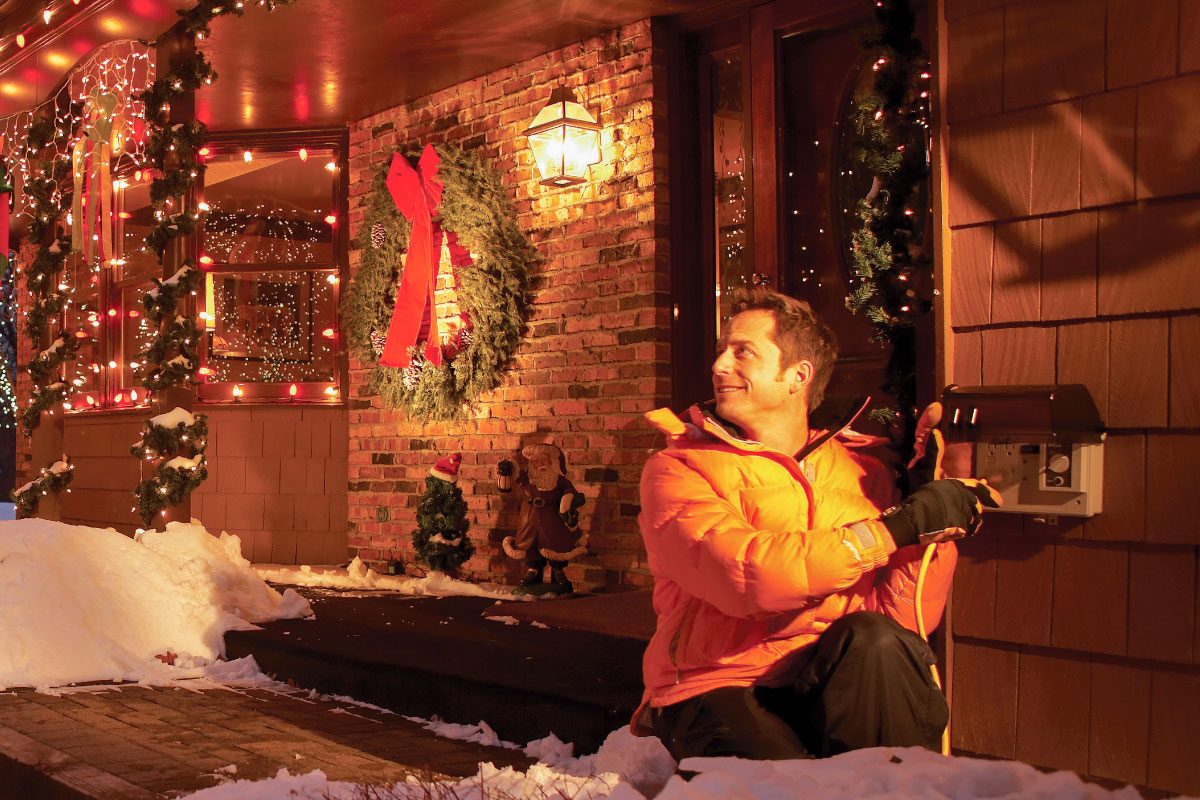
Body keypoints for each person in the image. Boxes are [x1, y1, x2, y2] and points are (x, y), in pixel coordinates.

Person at [631, 286, 998, 761]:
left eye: (742, 352)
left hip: (825, 676)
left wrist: (930, 527)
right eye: (722, 350)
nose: (719, 365)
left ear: (797, 375)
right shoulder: (679, 468)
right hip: (715, 682)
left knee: (880, 642)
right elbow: (741, 577)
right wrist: (895, 529)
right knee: (793, 789)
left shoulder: (862, 472)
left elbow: (904, 623)